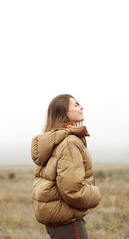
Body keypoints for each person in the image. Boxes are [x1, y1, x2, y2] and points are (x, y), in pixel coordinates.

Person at [31, 94, 101, 239]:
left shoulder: (54, 140)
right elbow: (72, 189)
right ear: (64, 112)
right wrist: (95, 194)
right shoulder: (69, 142)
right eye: (75, 105)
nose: (81, 107)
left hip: (57, 216)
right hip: (66, 219)